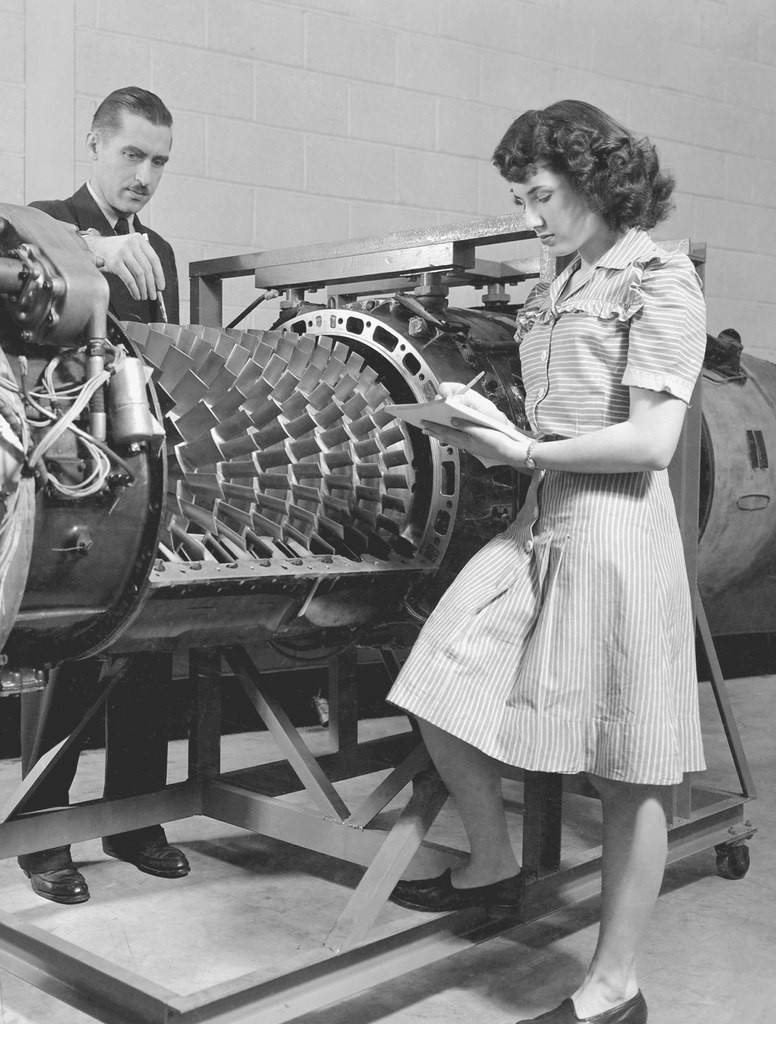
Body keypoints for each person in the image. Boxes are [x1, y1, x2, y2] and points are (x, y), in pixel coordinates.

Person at [384, 100, 706, 1024]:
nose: (530, 216)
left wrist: (524, 450)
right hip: (545, 514)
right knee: (437, 675)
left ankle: (614, 987)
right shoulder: (556, 281)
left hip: (615, 532)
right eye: (521, 198)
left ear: (596, 182)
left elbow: (651, 441)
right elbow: (560, 416)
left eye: (541, 196)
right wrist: (486, 424)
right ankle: (494, 863)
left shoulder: (659, 279)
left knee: (628, 764)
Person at [16, 86, 188, 906]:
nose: (144, 175)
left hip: (146, 473)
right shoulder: (46, 223)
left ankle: (135, 820)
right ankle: (39, 834)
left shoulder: (162, 251)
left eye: (158, 161)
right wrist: (90, 253)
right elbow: (15, 293)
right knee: (67, 658)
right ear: (95, 145)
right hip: (70, 479)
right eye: (132, 155)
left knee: (148, 650)